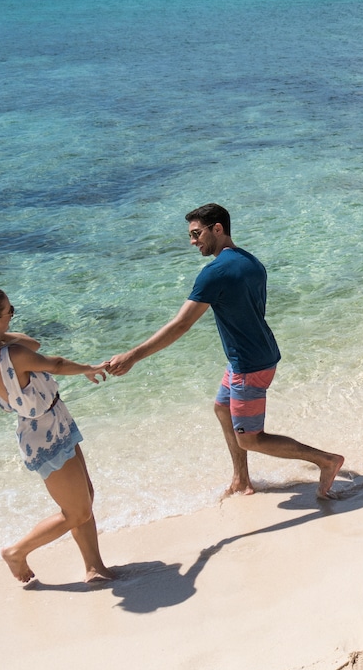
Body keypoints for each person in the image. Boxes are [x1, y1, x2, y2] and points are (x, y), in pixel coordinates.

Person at [105, 203, 345, 499]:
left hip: (249, 364)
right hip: (251, 355)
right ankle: (242, 480)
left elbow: (181, 325)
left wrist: (132, 356)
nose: (193, 242)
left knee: (251, 440)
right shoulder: (251, 261)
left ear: (217, 229)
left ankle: (326, 460)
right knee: (222, 409)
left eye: (196, 234)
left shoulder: (214, 273)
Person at [0, 286, 115, 585]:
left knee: (85, 499)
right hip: (46, 432)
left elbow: (33, 343)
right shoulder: (11, 354)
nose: (13, 316)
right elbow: (56, 363)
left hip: (48, 423)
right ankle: (16, 551)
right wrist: (89, 368)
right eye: (9, 312)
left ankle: (94, 567)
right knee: (75, 512)